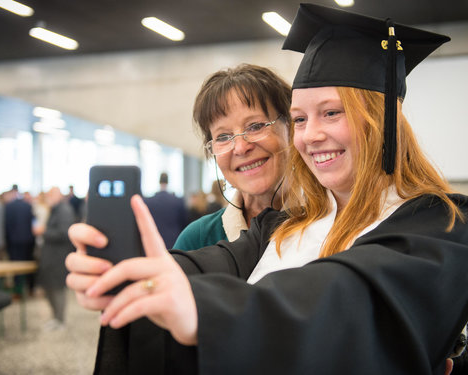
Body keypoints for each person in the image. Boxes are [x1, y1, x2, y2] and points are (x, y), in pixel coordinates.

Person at [65, 4, 468, 374]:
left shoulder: (440, 225)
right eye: (300, 119)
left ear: (381, 120)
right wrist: (131, 271)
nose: (311, 136)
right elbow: (208, 265)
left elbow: (345, 298)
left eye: (331, 112)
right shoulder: (284, 227)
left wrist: (202, 309)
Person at [174, 64, 291, 250]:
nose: (241, 147)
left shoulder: (335, 223)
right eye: (223, 137)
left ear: (292, 128)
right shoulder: (197, 240)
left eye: (255, 126)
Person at [36, 187, 75, 330]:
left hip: (58, 257)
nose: (47, 198)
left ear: (57, 195)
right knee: (50, 288)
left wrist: (44, 232)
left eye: (50, 195)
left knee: (58, 289)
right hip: (50, 256)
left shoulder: (64, 210)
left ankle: (60, 320)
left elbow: (64, 233)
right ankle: (55, 318)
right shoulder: (55, 210)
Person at [4, 184, 35, 296]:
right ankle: (31, 288)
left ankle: (18, 292)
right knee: (28, 263)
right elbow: (33, 223)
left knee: (16, 265)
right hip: (28, 240)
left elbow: (7, 226)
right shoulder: (27, 206)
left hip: (14, 241)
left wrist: (6, 241)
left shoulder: (8, 206)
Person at [144, 173, 187, 249]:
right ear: (168, 181)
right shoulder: (177, 201)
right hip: (173, 242)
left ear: (159, 181)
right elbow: (184, 223)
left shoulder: (148, 202)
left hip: (153, 242)